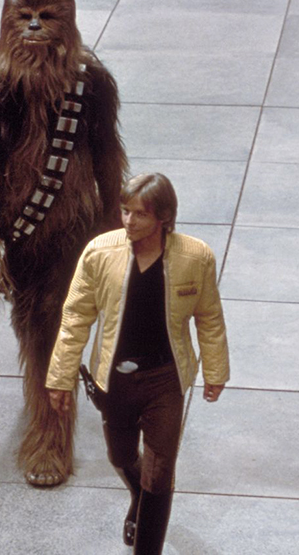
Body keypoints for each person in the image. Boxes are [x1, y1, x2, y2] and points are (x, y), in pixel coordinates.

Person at [45, 173, 229, 554]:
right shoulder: (99, 254)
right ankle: (138, 495)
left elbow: (209, 317)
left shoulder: (195, 258)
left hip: (165, 381)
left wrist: (215, 371)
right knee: (121, 456)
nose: (129, 221)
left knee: (159, 473)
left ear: (164, 217)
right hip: (115, 381)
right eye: (125, 211)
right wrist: (61, 377)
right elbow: (75, 317)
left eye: (140, 214)